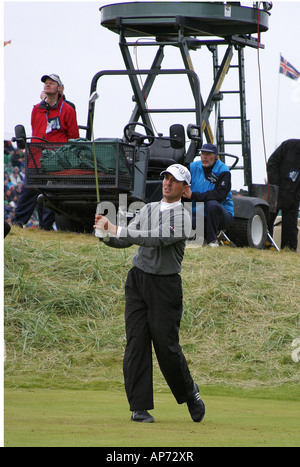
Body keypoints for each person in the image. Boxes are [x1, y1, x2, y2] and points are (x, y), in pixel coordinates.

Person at [94, 164, 205, 424]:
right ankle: (139, 407)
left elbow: (154, 238)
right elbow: (127, 239)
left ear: (185, 189)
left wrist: (116, 229)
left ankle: (190, 393)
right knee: (136, 342)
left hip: (165, 287)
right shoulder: (147, 208)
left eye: (174, 180)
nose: (167, 183)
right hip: (138, 281)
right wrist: (103, 233)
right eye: (165, 178)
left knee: (166, 347)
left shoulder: (184, 218)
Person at [13, 73, 79, 230]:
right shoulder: (36, 109)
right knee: (28, 190)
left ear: (59, 88)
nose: (47, 85)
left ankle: (45, 227)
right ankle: (17, 223)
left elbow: (73, 137)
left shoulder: (68, 109)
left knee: (52, 193)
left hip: (56, 158)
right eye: (46, 83)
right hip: (36, 156)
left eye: (52, 83)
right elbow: (35, 130)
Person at [183, 143, 234, 247]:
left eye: (208, 154)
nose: (205, 157)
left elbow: (219, 196)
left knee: (212, 204)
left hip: (221, 214)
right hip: (198, 213)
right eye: (203, 154)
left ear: (216, 157)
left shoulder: (223, 171)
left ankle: (212, 240)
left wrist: (193, 195)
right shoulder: (192, 167)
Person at [267, 139, 300, 252]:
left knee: (290, 227)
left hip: (292, 197)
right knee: (267, 220)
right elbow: (272, 162)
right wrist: (275, 186)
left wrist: (295, 196)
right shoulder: (288, 145)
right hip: (274, 192)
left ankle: (288, 251)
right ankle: (265, 246)